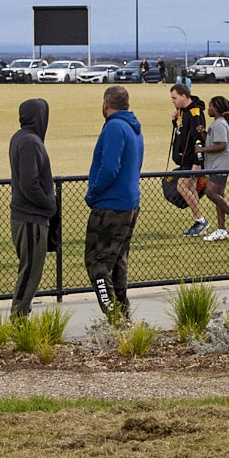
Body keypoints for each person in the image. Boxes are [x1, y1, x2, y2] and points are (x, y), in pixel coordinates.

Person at [85, 85, 144, 320]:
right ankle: (123, 313)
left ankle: (113, 316)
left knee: (97, 263)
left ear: (105, 104)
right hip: (129, 201)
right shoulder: (133, 128)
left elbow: (109, 167)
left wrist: (93, 193)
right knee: (117, 259)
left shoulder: (114, 128)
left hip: (111, 204)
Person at [7, 97, 60, 317]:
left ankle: (21, 313)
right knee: (30, 272)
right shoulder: (30, 142)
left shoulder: (21, 138)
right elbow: (29, 183)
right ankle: (18, 317)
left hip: (28, 216)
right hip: (31, 218)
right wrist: (50, 205)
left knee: (30, 270)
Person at [166, 83, 211, 237]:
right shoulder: (181, 112)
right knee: (189, 188)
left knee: (182, 187)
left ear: (184, 96)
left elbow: (199, 139)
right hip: (184, 158)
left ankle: (200, 219)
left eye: (175, 98)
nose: (173, 101)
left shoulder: (195, 113)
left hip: (192, 159)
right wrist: (174, 121)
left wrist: (198, 163)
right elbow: (181, 131)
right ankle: (199, 221)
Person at [199, 94, 229, 241]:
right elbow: (214, 142)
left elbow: (222, 145)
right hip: (219, 162)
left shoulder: (219, 123)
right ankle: (221, 230)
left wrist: (200, 150)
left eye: (210, 106)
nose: (208, 109)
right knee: (219, 196)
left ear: (216, 109)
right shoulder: (218, 123)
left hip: (221, 163)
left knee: (210, 193)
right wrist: (204, 134)